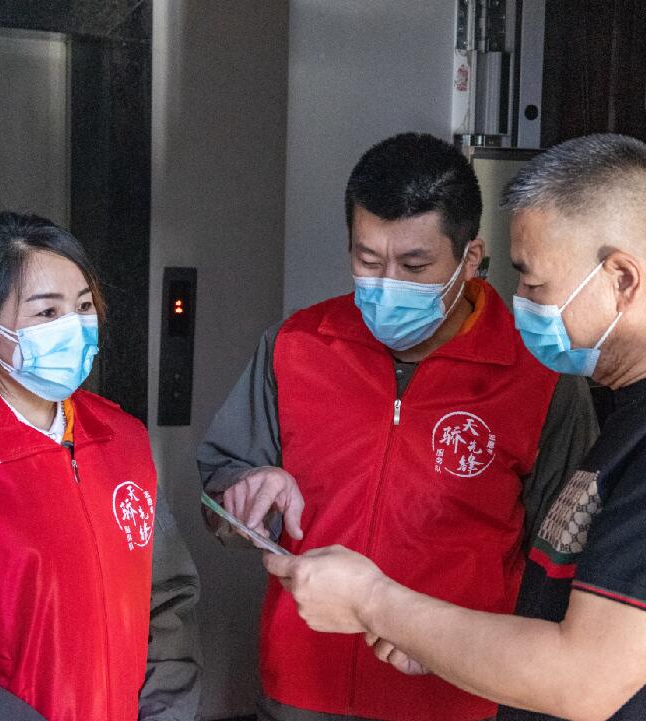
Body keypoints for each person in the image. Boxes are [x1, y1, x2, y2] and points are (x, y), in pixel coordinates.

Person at [262, 134, 646, 721]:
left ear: (622, 279)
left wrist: (373, 602)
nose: (520, 301)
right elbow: (559, 626)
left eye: (534, 282)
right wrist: (432, 638)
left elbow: (579, 680)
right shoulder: (642, 415)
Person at [197, 132, 597, 721]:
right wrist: (242, 492)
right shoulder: (296, 346)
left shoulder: (538, 372)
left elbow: (566, 556)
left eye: (414, 266)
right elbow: (218, 494)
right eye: (368, 261)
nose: (387, 284)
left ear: (470, 258)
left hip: (458, 697)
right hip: (302, 686)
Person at [0, 212, 202, 721]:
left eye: (84, 307)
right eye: (48, 312)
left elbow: (167, 605)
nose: (75, 328)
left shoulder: (122, 440)